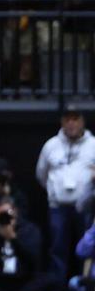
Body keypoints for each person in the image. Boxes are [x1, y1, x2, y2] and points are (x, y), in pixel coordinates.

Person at [36, 104, 95, 278]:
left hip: (86, 208)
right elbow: (41, 174)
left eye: (75, 119)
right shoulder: (51, 145)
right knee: (57, 249)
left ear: (82, 121)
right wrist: (55, 191)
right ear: (62, 122)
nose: (71, 123)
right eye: (67, 119)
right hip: (58, 207)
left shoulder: (93, 144)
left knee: (86, 249)